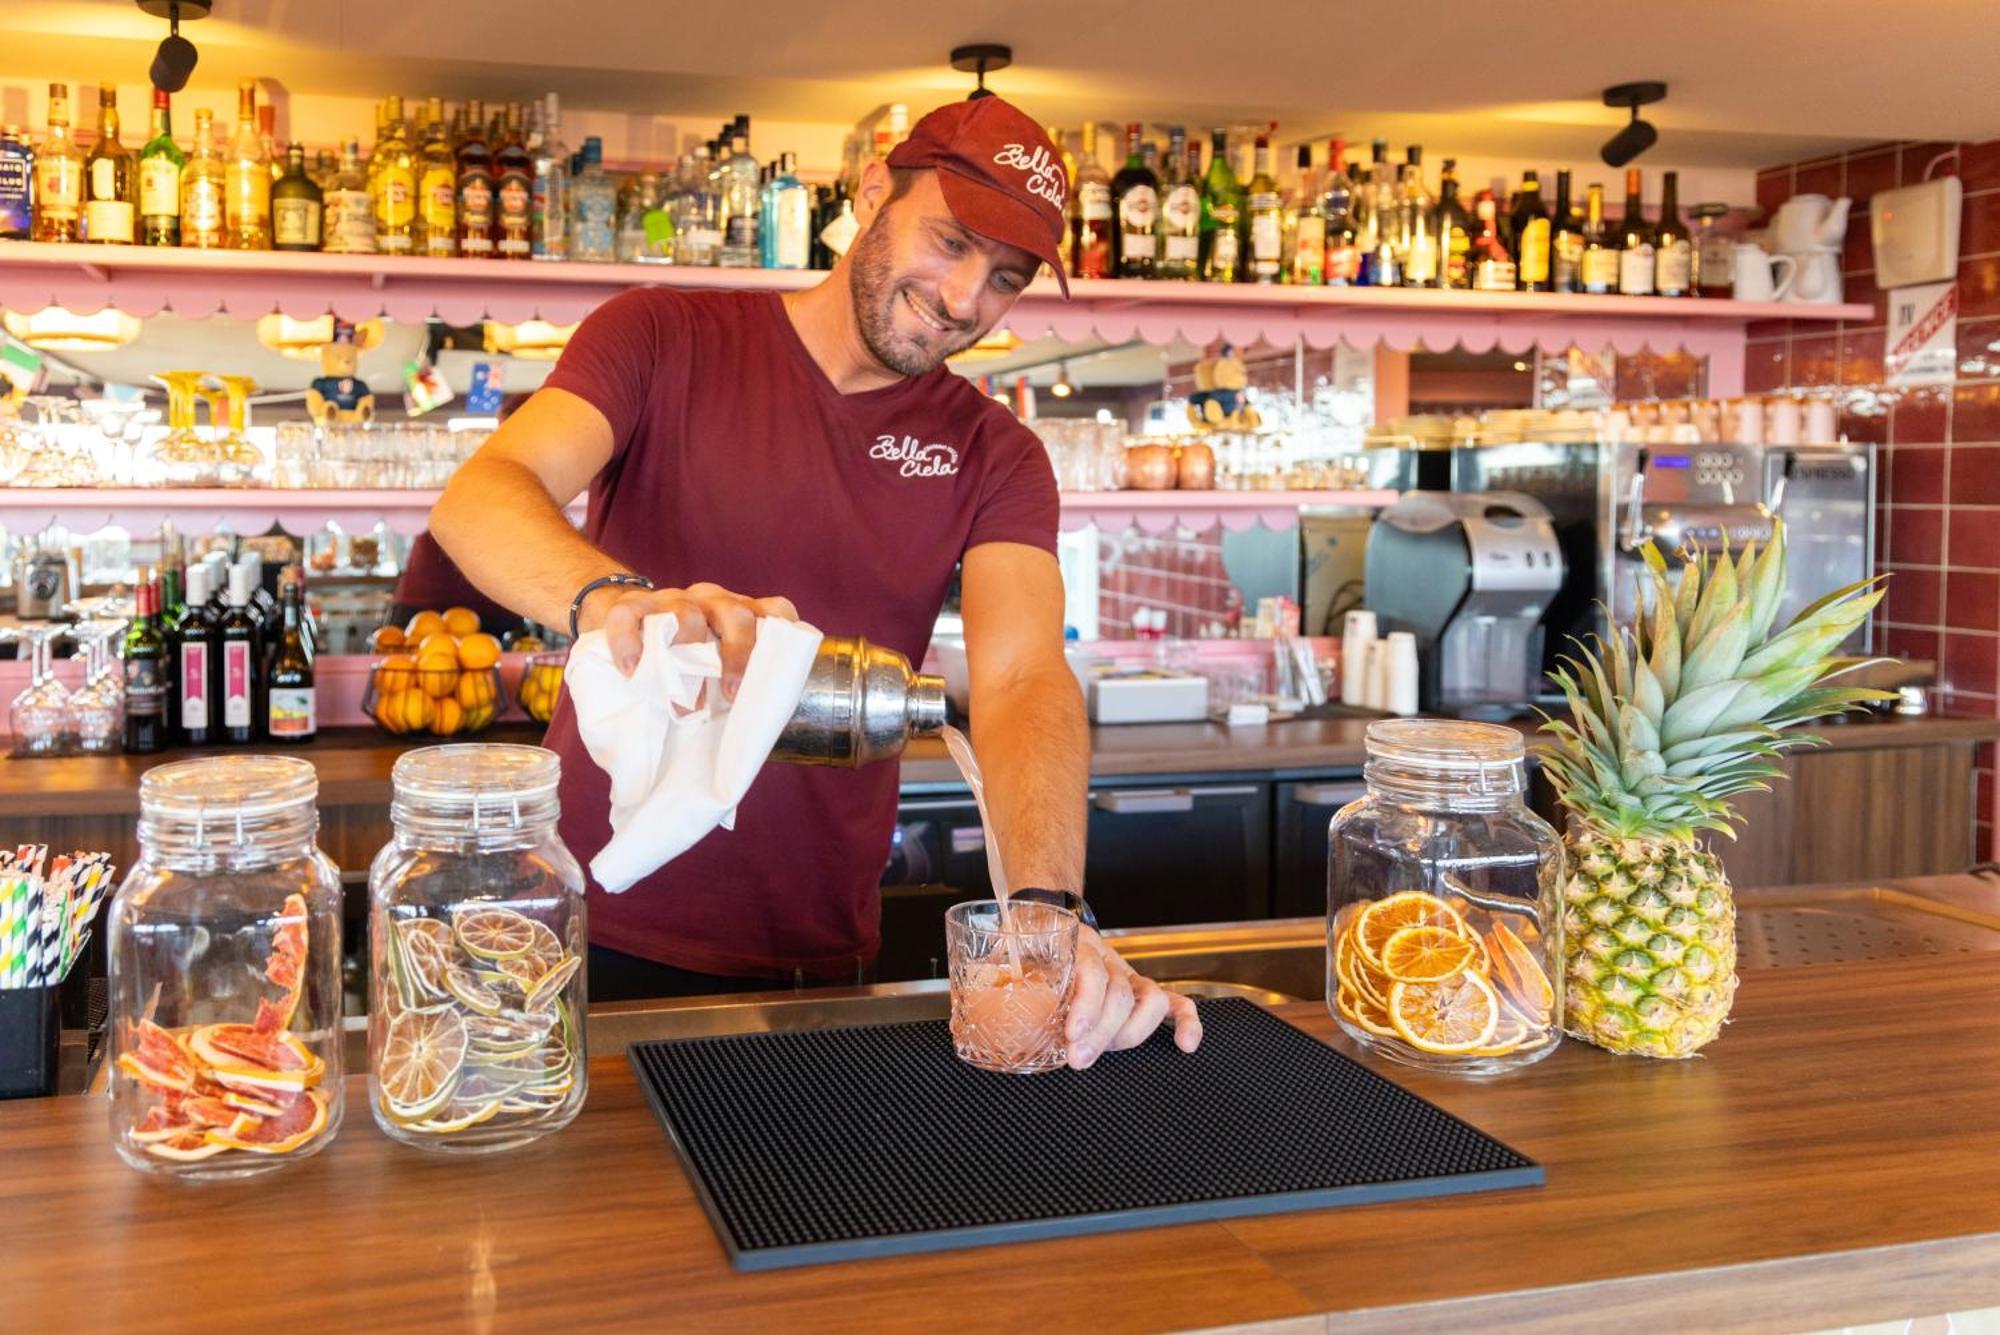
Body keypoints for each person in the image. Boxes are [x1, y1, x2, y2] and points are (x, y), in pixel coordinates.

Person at [432, 97, 1201, 1069]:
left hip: (816, 955)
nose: (965, 298)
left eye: (1004, 278)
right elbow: (482, 495)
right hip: (586, 918)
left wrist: (1049, 914)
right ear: (872, 191)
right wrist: (619, 601)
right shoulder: (662, 333)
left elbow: (1019, 679)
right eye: (951, 243)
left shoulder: (994, 453)